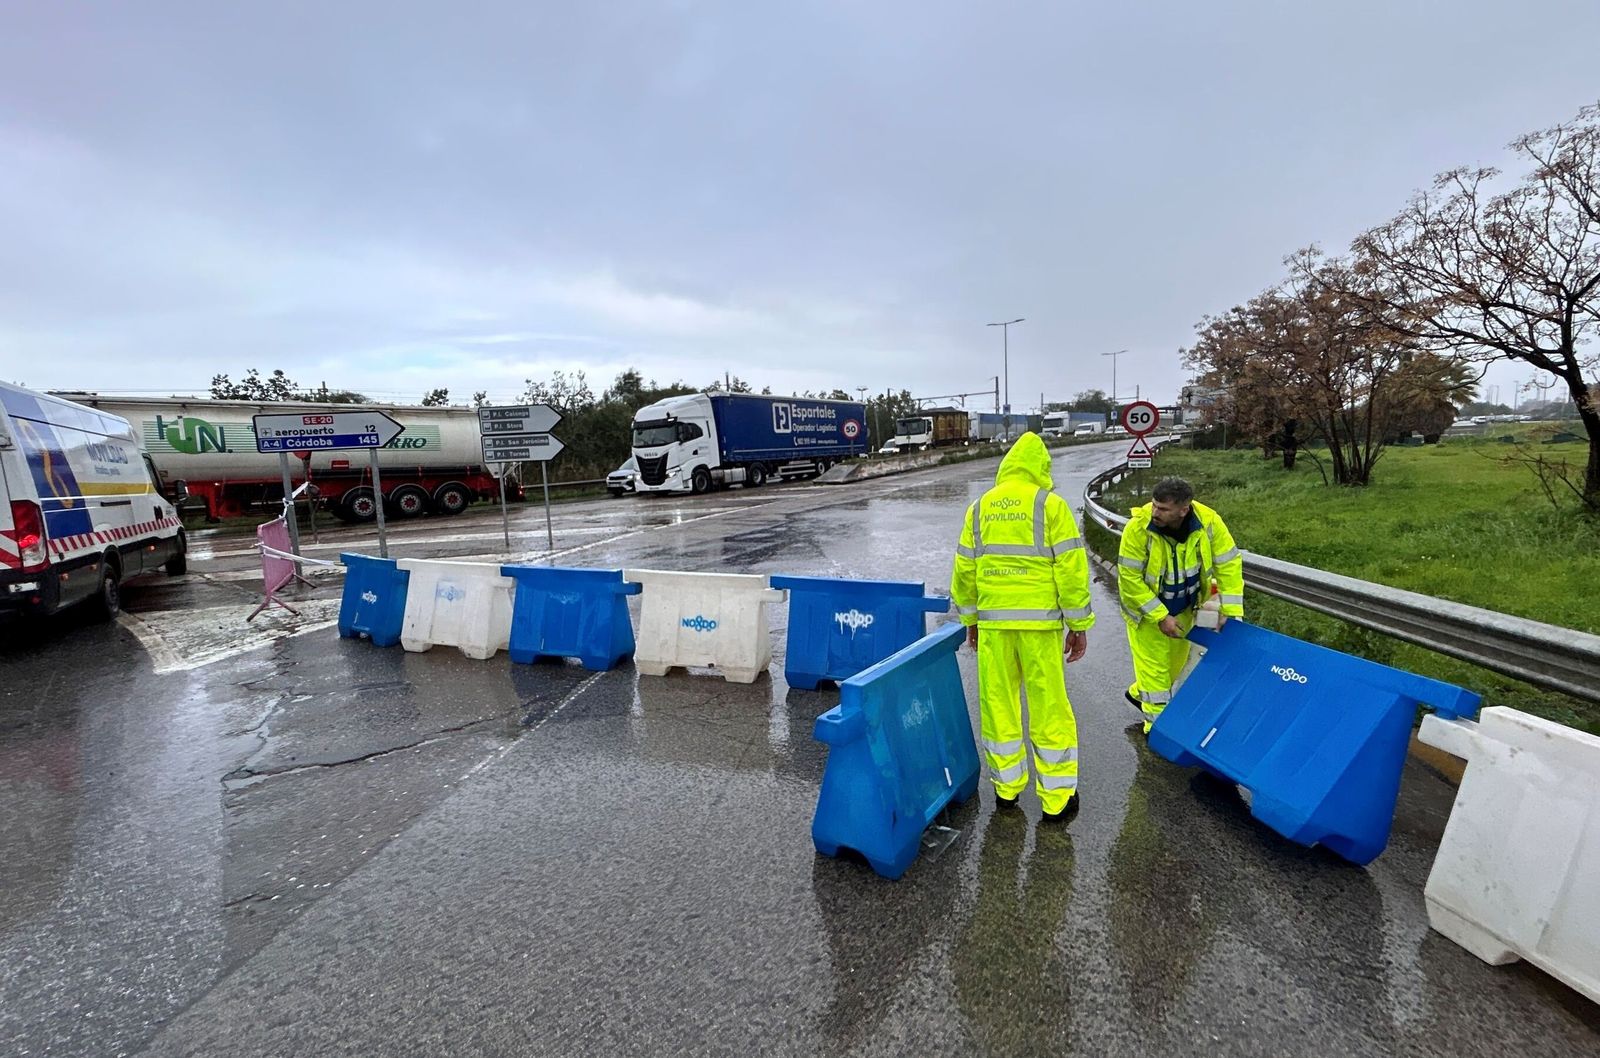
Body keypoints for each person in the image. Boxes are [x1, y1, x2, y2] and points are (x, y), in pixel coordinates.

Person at [950, 432, 1094, 819]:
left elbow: (965, 570)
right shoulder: (1051, 506)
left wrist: (970, 620)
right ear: (1041, 468)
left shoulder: (979, 508)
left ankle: (1006, 790)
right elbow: (1072, 571)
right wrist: (1078, 625)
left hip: (995, 627)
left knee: (998, 706)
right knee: (1049, 707)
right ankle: (1057, 800)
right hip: (1040, 628)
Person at [1117, 476, 1244, 733]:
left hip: (1185, 608)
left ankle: (1136, 692)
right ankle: (1157, 731)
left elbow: (1229, 565)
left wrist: (1231, 614)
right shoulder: (1138, 528)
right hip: (1146, 613)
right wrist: (1160, 616)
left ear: (1183, 510)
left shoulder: (1209, 523)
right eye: (1154, 505)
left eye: (1163, 509)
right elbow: (1129, 578)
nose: (1155, 512)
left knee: (1173, 669)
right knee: (1155, 675)